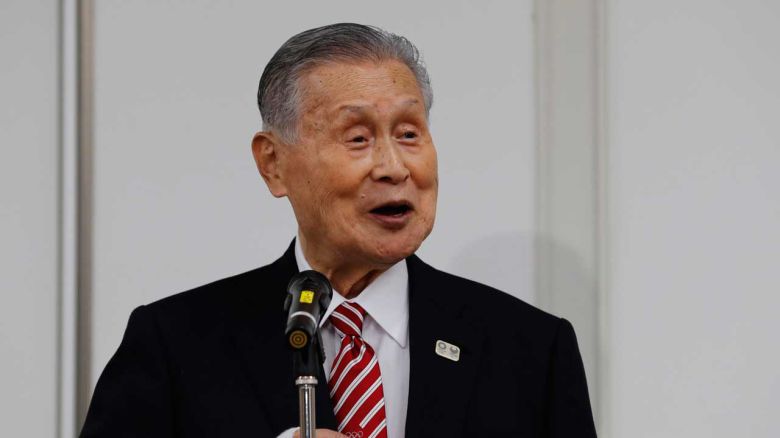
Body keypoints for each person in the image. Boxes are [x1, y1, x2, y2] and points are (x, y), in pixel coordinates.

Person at [80, 23, 596, 438]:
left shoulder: (530, 350)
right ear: (273, 164)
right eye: (357, 138)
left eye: (409, 133)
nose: (394, 167)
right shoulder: (176, 344)